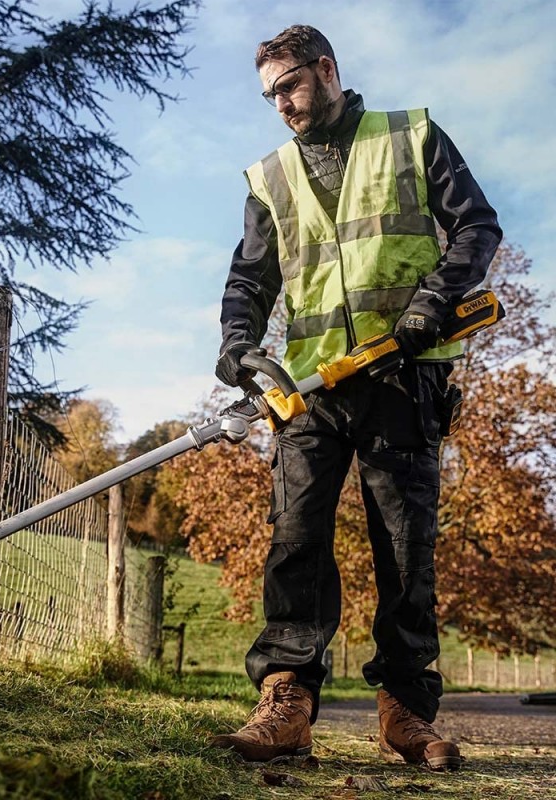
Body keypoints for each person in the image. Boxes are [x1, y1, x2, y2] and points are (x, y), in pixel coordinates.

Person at [210, 25, 502, 770]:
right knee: (295, 540)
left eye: (289, 85)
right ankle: (285, 701)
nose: (281, 104)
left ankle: (406, 710)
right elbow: (250, 281)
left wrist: (433, 300)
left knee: (405, 549)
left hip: (403, 377)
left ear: (326, 69)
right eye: (270, 95)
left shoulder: (412, 137)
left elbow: (476, 226)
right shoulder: (270, 177)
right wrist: (239, 345)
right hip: (309, 389)